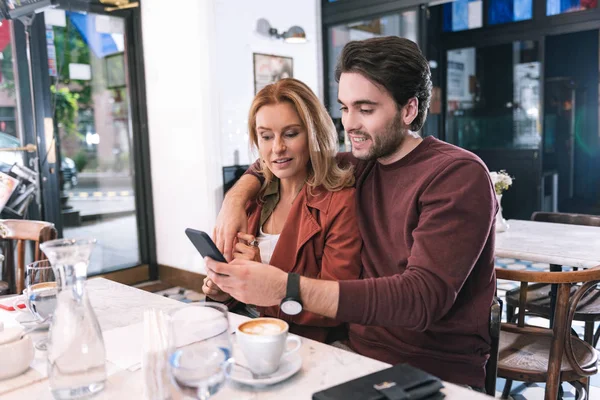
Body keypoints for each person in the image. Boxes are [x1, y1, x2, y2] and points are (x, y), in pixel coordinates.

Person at [206, 37, 496, 389]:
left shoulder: (456, 174)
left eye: (366, 109)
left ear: (409, 110)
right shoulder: (357, 164)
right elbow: (272, 160)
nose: (350, 124)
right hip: (351, 353)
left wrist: (286, 288)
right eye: (344, 108)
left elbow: (421, 299)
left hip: (433, 371)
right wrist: (234, 200)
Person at [203, 78, 362, 343]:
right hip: (243, 328)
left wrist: (261, 285)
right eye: (266, 136)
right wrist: (224, 292)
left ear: (314, 134)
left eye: (290, 134)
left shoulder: (339, 202)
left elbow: (336, 307)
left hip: (300, 341)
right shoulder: (255, 197)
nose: (277, 148)